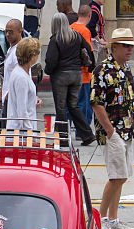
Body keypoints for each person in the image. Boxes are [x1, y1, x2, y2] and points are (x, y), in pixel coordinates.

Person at [91, 28, 134, 229]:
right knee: (116, 176)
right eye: (126, 46)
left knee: (122, 175)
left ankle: (113, 219)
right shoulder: (103, 70)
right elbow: (96, 102)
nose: (130, 50)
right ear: (115, 47)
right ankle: (101, 220)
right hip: (114, 131)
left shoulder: (125, 68)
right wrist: (110, 131)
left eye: (131, 46)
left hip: (127, 129)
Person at [45, 13, 96, 145]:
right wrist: (90, 66)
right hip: (76, 75)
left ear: (54, 25)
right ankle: (87, 135)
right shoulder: (77, 36)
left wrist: (48, 71)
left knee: (61, 108)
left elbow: (51, 61)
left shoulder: (55, 39)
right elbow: (89, 50)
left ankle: (62, 139)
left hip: (61, 77)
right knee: (73, 106)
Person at [71, 5, 95, 141]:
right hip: (84, 74)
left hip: (72, 72)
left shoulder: (70, 28)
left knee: (73, 104)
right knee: (84, 105)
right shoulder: (85, 31)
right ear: (89, 15)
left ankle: (74, 130)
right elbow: (88, 54)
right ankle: (83, 131)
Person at [6, 38, 41, 131]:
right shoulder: (21, 77)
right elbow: (22, 111)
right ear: (32, 55)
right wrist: (30, 132)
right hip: (21, 133)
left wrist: (34, 99)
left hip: (20, 130)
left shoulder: (20, 72)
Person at [0, 19, 24, 112]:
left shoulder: (19, 51)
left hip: (14, 100)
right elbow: (7, 75)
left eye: (11, 32)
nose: (8, 35)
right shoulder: (11, 49)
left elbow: (20, 77)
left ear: (20, 31)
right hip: (8, 99)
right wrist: (1, 94)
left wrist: (10, 95)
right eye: (6, 32)